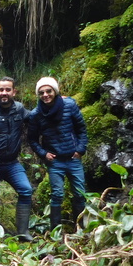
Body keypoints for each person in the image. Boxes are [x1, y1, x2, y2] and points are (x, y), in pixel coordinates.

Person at [27, 77, 88, 230]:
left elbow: (81, 128)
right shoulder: (36, 114)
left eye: (49, 91)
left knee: (80, 193)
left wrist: (80, 149)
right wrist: (43, 154)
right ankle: (56, 231)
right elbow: (32, 139)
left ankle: (80, 228)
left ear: (55, 91)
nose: (45, 95)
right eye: (41, 92)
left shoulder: (69, 105)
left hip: (73, 158)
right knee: (57, 195)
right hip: (55, 161)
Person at [0, 77, 34, 241]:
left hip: (12, 163)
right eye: (1, 90)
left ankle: (23, 232)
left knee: (26, 190)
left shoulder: (19, 108)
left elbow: (36, 117)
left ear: (14, 92)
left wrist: (56, 103)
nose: (4, 93)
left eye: (8, 90)